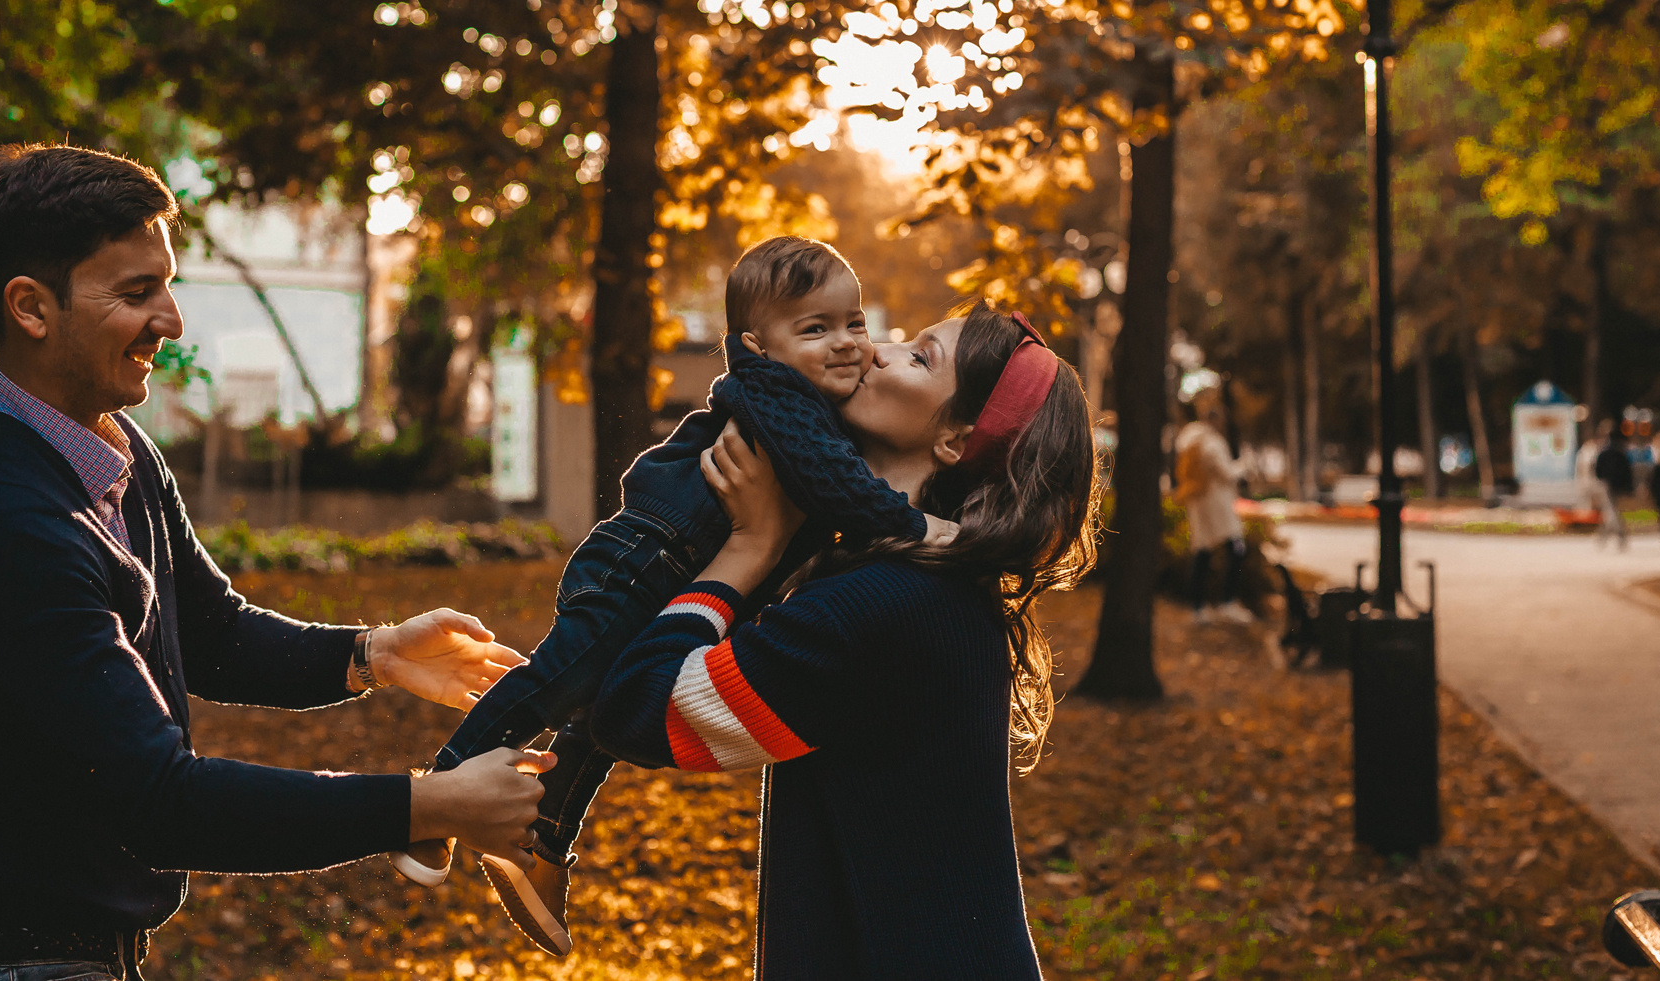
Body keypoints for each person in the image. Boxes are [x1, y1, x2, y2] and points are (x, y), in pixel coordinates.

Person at [0, 145, 551, 981]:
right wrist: (428, 804)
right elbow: (160, 803)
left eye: (167, 284)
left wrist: (369, 652)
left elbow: (211, 630)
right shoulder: (5, 526)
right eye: (134, 292)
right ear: (31, 308)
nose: (171, 318)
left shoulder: (111, 450)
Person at [399, 236, 958, 957]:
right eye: (814, 329)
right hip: (640, 562)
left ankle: (542, 844)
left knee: (596, 719)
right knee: (553, 685)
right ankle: (435, 799)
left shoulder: (820, 405)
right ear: (756, 346)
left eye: (853, 322)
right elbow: (836, 486)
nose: (849, 344)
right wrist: (922, 527)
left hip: (669, 571)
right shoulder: (775, 395)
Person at [593, 301, 1098, 981]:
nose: (877, 350)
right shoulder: (926, 585)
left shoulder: (879, 606)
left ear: (955, 438)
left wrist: (747, 547)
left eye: (919, 356)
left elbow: (636, 709)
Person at [1174, 400, 1250, 624]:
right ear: (1216, 421)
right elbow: (1227, 474)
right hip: (1219, 508)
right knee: (1237, 549)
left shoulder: (1189, 441)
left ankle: (1198, 607)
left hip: (1198, 506)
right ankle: (1228, 602)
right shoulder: (1213, 443)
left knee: (1202, 554)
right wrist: (1244, 465)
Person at [1591, 419, 1634, 549]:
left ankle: (1616, 535)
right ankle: (1604, 535)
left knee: (1611, 510)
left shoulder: (1604, 452)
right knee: (1611, 509)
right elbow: (1627, 470)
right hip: (1617, 484)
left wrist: (1601, 478)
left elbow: (1597, 468)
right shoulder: (1621, 452)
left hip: (1607, 484)